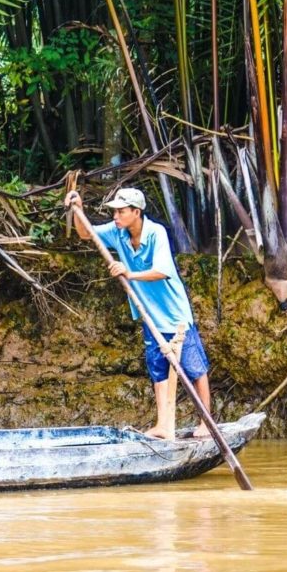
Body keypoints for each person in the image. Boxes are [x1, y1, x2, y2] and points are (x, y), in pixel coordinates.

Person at [64, 186, 211, 440]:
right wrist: (78, 208)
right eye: (115, 212)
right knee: (158, 369)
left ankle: (206, 422)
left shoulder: (156, 233)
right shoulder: (117, 233)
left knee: (193, 368)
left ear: (136, 212)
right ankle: (164, 424)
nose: (116, 217)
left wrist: (128, 274)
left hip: (175, 317)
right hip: (150, 317)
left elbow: (162, 270)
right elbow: (86, 233)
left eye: (121, 212)